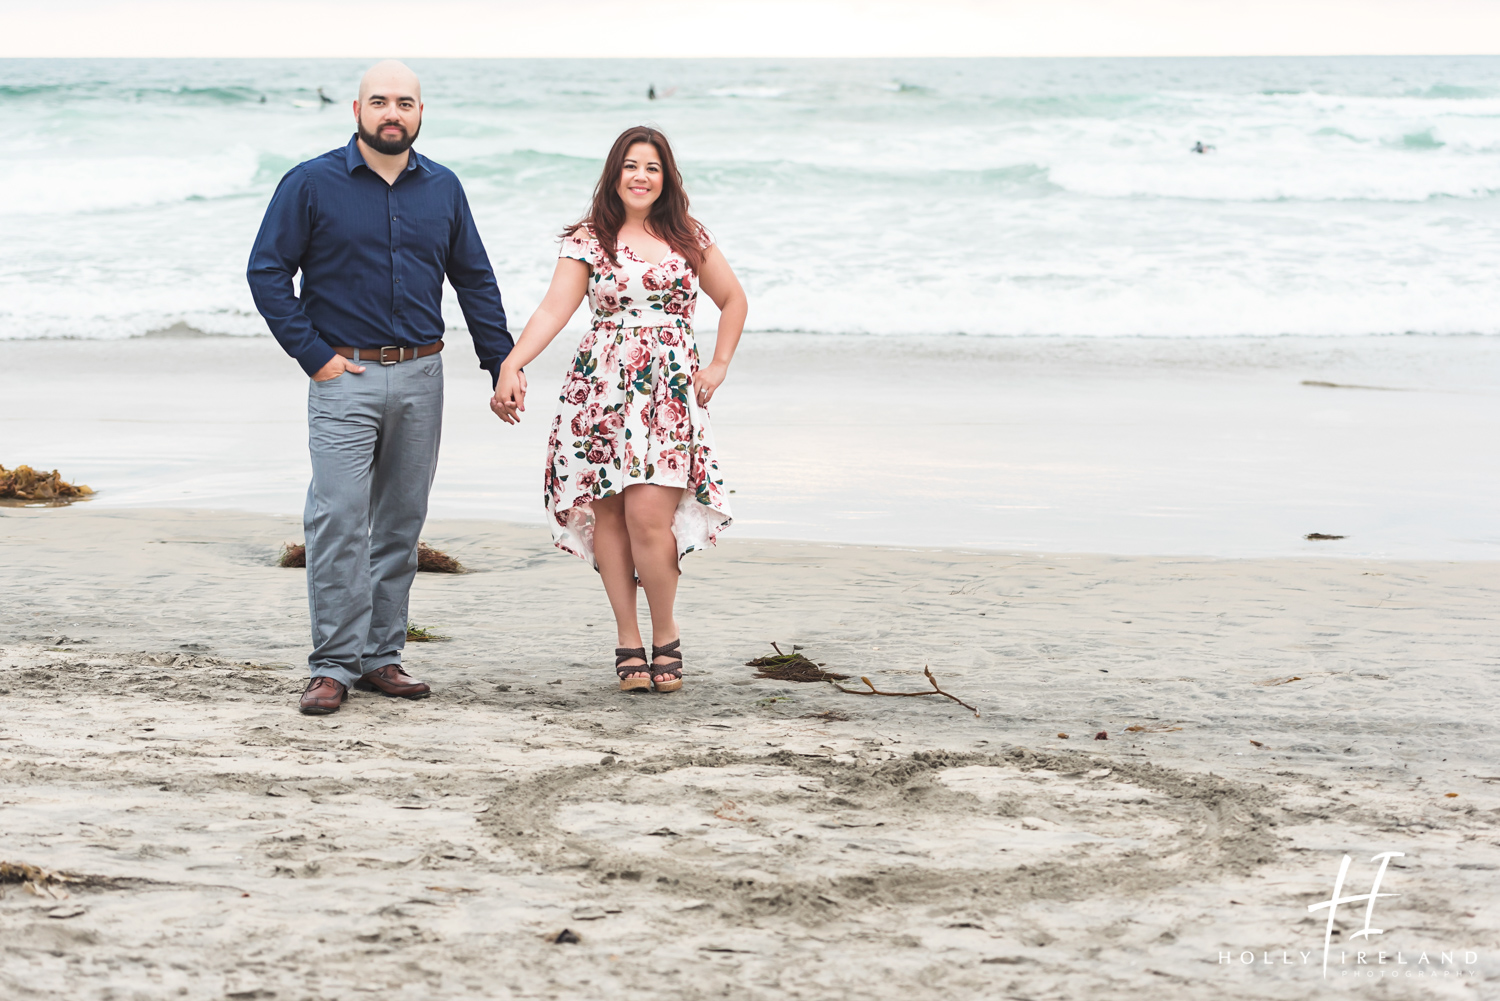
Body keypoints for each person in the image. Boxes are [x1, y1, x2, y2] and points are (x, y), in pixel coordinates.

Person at [247, 60, 513, 715]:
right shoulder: (310, 183)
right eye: (380, 101)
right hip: (345, 376)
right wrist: (316, 357)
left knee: (399, 523)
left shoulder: (444, 188)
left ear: (421, 111)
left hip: (424, 375)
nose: (392, 112)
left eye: (405, 102)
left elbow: (473, 279)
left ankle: (379, 658)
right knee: (337, 518)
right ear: (357, 108)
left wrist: (500, 362)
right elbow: (266, 272)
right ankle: (332, 664)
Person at [490, 126, 746, 693]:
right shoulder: (589, 239)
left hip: (668, 392)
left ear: (666, 177)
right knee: (609, 515)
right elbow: (554, 310)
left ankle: (666, 635)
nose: (640, 176)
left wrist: (719, 365)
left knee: (648, 519)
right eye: (630, 165)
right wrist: (513, 364)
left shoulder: (689, 236)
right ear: (614, 173)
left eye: (652, 167)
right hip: (599, 390)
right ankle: (628, 640)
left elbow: (733, 299)